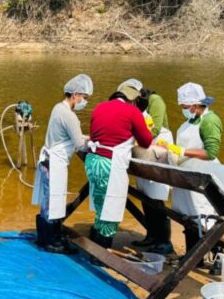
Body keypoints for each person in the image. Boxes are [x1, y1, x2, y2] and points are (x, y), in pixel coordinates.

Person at [157, 82, 224, 272]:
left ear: (196, 104)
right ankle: (194, 256)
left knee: (206, 217)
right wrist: (169, 149)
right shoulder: (189, 122)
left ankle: (219, 258)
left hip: (203, 174)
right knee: (188, 215)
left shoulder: (210, 121)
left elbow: (211, 153)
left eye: (185, 107)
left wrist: (182, 150)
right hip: (186, 174)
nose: (183, 110)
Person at [84, 83, 154, 249]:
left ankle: (94, 244)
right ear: (132, 100)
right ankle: (101, 253)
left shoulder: (99, 108)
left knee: (101, 204)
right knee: (111, 209)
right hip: (110, 165)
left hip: (93, 161)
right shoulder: (132, 111)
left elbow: (96, 135)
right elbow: (146, 141)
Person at [32, 74, 93, 254]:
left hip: (47, 161)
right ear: (75, 94)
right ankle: (51, 241)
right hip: (55, 163)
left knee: (47, 202)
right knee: (54, 202)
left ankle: (45, 237)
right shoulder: (69, 115)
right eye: (84, 97)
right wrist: (94, 142)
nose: (84, 101)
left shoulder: (57, 108)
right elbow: (79, 144)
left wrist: (86, 137)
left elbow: (70, 136)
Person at [119, 79, 176, 256]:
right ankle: (151, 236)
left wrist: (136, 139)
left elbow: (156, 129)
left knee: (157, 196)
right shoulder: (134, 105)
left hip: (158, 149)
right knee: (145, 195)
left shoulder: (155, 101)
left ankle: (164, 242)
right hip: (143, 150)